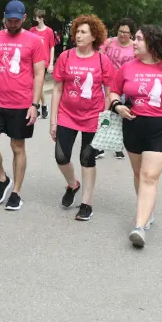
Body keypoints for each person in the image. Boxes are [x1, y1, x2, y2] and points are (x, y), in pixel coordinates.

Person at [109, 25, 162, 248]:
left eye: (138, 39)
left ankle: (139, 226)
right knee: (139, 175)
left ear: (151, 42)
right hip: (133, 126)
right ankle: (147, 209)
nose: (134, 42)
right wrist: (117, 105)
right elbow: (113, 91)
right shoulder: (127, 68)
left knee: (149, 176)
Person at [0, 0, 46, 211]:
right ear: (4, 17)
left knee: (17, 147)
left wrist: (35, 104)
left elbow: (38, 74)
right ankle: (2, 179)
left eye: (17, 21)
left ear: (24, 19)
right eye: (10, 20)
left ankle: (16, 191)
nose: (13, 24)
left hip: (21, 104)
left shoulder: (35, 41)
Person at [49, 14, 114, 221]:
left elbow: (109, 92)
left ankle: (86, 203)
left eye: (83, 32)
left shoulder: (103, 61)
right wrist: (53, 119)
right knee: (61, 156)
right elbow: (57, 89)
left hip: (92, 117)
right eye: (77, 31)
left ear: (94, 36)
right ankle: (72, 184)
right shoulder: (66, 57)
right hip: (67, 115)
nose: (78, 35)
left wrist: (104, 118)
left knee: (87, 158)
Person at [28, 9, 56, 119]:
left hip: (43, 62)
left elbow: (52, 47)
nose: (34, 20)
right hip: (32, 61)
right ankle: (42, 105)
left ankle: (38, 106)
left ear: (41, 19)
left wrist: (51, 64)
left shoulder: (49, 31)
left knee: (38, 85)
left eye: (36, 18)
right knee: (33, 85)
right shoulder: (31, 30)